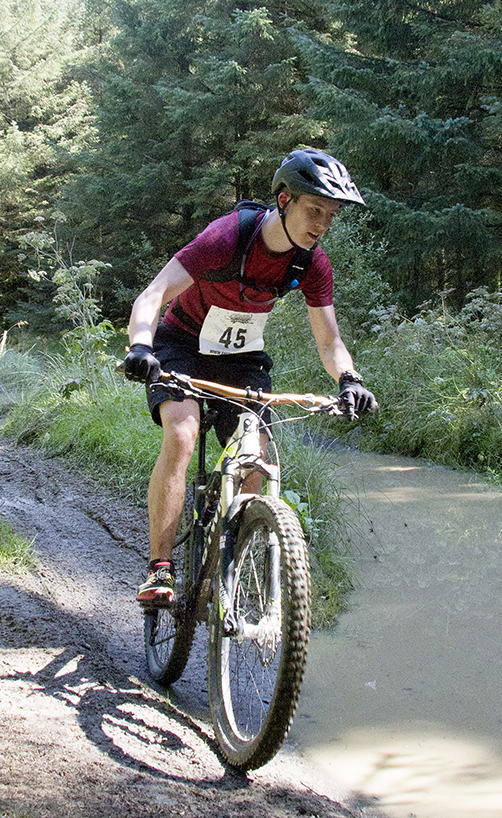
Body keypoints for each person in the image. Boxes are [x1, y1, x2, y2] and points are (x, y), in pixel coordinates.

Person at [123, 149, 377, 605]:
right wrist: (140, 346)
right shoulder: (227, 237)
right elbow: (154, 292)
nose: (321, 224)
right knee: (182, 434)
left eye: (330, 215)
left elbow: (329, 341)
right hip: (181, 343)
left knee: (255, 460)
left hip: (240, 357)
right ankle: (159, 569)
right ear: (284, 200)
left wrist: (350, 379)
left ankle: (229, 569)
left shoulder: (311, 263)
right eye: (313, 209)